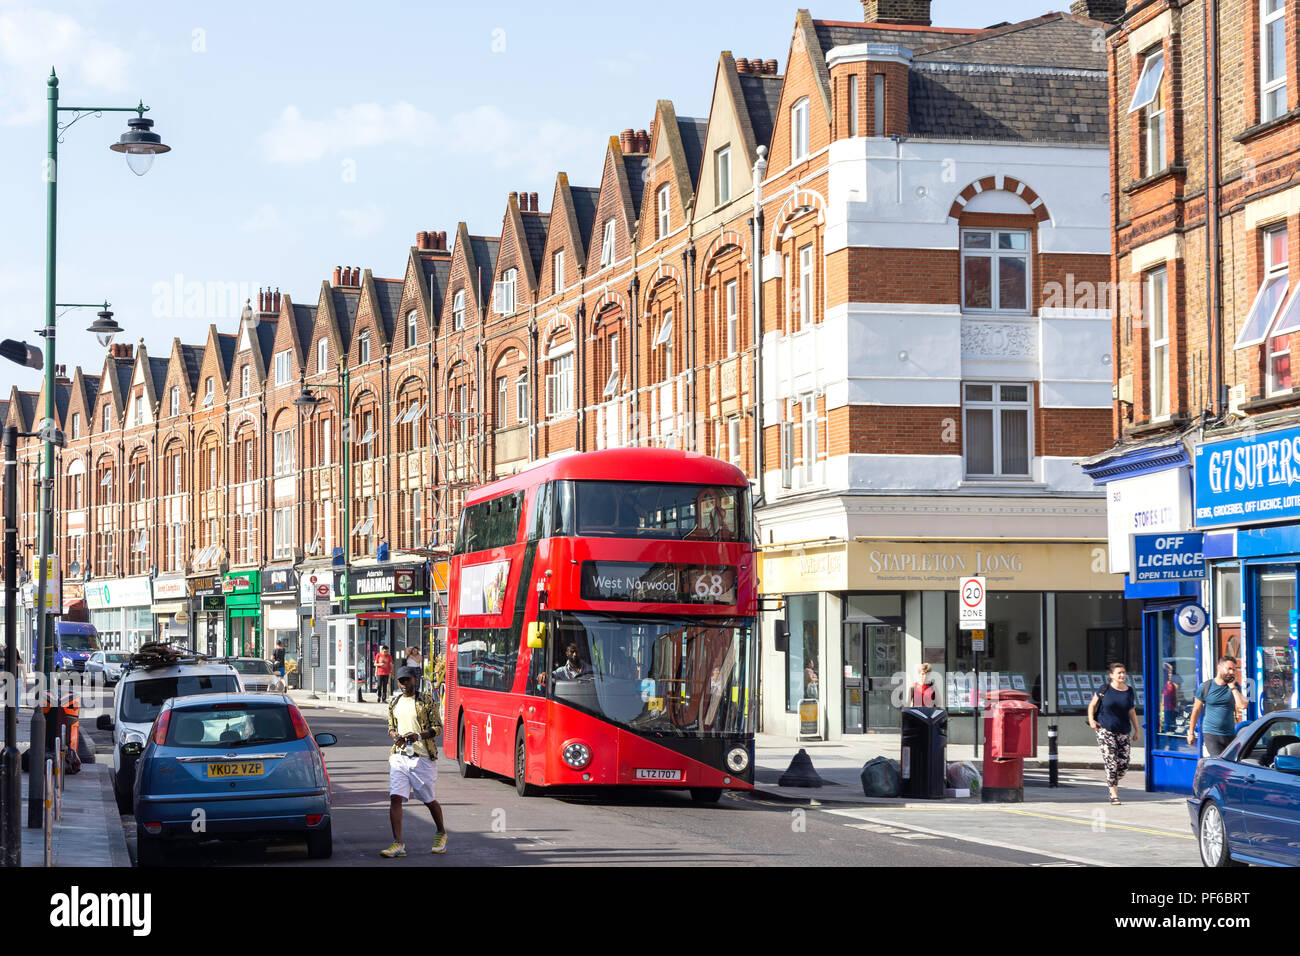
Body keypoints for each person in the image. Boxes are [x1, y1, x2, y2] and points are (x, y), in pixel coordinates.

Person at [381, 666, 447, 857]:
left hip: (422, 758)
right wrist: (396, 736)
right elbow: (391, 727)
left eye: (406, 680)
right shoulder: (394, 702)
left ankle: (441, 833)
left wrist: (418, 735)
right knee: (395, 797)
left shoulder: (426, 701)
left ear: (414, 680)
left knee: (428, 799)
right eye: (400, 681)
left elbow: (437, 728)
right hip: (399, 757)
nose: (403, 684)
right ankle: (398, 844)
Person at [1087, 661, 1141, 805]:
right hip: (1105, 730)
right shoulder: (1104, 689)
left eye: (1124, 672)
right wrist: (1092, 720)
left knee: (1123, 764)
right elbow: (1092, 705)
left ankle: (1113, 780)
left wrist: (1137, 730)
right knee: (1111, 762)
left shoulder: (1129, 691)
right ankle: (1114, 794)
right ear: (1111, 675)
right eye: (1119, 673)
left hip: (1123, 731)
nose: (1122, 675)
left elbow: (1131, 711)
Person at [1187, 656, 1249, 757]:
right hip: (1211, 734)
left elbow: (1242, 705)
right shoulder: (1206, 686)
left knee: (1230, 764)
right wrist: (1191, 732)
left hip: (1230, 734)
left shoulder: (1235, 687)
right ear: (1219, 667)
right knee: (1220, 763)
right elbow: (1196, 709)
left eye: (1234, 669)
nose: (1232, 672)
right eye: (1229, 668)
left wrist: (1233, 687)